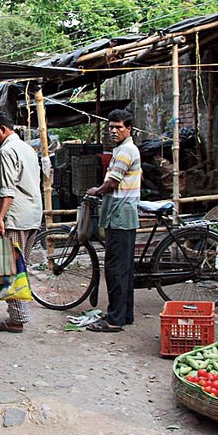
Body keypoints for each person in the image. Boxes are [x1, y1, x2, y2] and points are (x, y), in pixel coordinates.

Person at [0, 113, 42, 333]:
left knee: (12, 268)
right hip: (31, 215)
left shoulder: (7, 151)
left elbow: (7, 189)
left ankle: (17, 318)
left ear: (2, 129)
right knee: (20, 265)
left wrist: (0, 217)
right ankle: (18, 314)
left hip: (15, 216)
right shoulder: (27, 148)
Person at [86, 109, 142, 333]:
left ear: (128, 129)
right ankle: (124, 314)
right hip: (121, 214)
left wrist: (96, 191)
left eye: (118, 127)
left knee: (115, 269)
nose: (113, 131)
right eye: (111, 127)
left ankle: (114, 320)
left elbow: (111, 184)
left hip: (120, 215)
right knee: (124, 269)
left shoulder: (126, 151)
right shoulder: (122, 149)